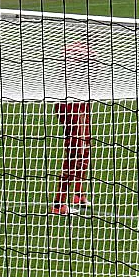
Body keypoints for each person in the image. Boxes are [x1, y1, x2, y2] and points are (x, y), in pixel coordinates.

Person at [50, 43, 93, 215]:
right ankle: (59, 204)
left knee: (85, 148)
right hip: (71, 104)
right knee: (76, 152)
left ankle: (78, 194)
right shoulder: (76, 54)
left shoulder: (82, 51)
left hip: (80, 103)